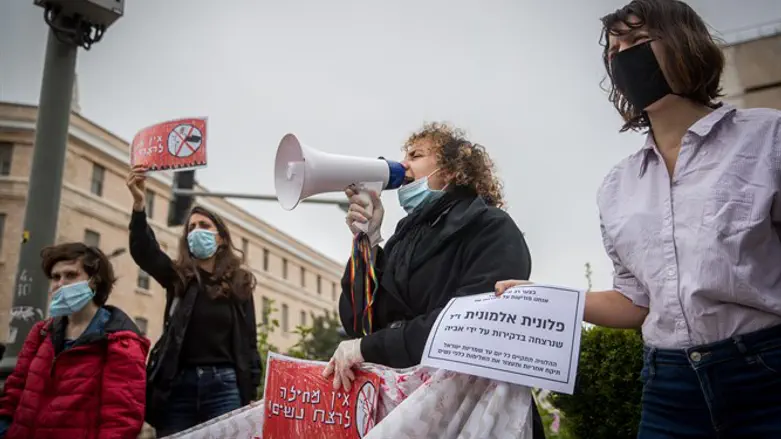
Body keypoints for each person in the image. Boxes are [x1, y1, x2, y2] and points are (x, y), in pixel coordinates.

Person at [497, 0, 781, 437]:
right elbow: (636, 303)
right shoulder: (617, 186)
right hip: (669, 388)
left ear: (686, 45)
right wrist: (544, 298)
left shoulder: (768, 138)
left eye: (638, 41)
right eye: (614, 50)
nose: (623, 55)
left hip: (766, 372)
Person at [322, 122, 545, 438]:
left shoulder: (489, 227)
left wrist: (369, 348)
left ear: (452, 170)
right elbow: (362, 321)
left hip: (472, 410)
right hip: (412, 405)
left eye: (415, 155)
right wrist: (367, 242)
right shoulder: (405, 236)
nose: (403, 165)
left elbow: (468, 323)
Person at [126, 165, 261, 436]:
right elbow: (144, 251)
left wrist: (250, 391)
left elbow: (249, 341)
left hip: (224, 386)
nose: (196, 231)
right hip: (179, 387)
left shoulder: (239, 283)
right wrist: (140, 205)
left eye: (204, 226)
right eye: (191, 227)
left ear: (220, 238)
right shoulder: (177, 277)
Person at [0, 243, 149, 439]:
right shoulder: (41, 333)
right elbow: (14, 393)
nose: (60, 283)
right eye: (55, 277)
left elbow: (120, 420)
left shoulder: (120, 342)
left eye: (71, 275)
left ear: (94, 282)